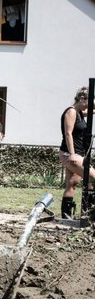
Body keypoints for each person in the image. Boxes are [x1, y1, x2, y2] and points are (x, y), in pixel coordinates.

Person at [59, 86, 95, 219]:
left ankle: (65, 216)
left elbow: (92, 109)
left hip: (78, 153)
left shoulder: (80, 112)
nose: (89, 106)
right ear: (81, 98)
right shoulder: (71, 112)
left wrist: (91, 100)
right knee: (93, 177)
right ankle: (90, 214)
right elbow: (68, 133)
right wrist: (72, 153)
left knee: (72, 183)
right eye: (88, 102)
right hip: (70, 154)